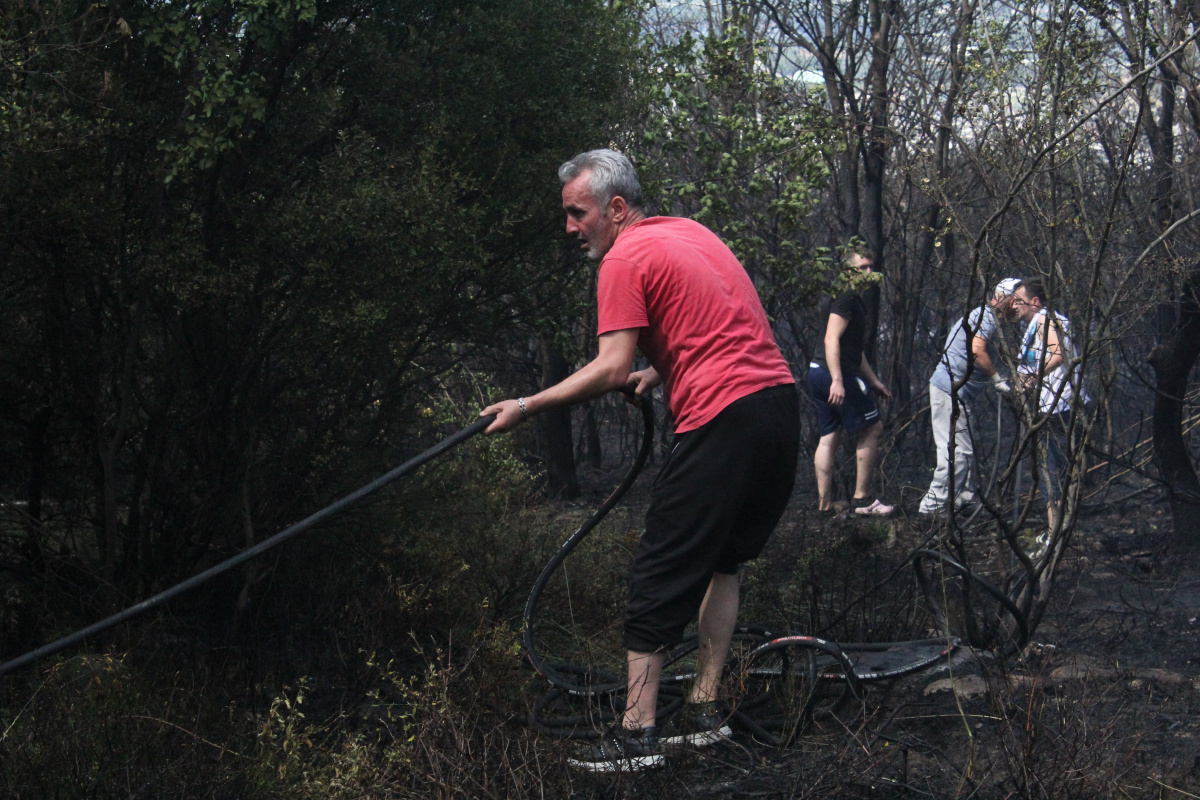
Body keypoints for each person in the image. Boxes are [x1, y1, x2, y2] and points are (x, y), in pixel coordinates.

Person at [481, 149, 799, 771]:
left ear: (616, 208)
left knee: (659, 571)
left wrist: (527, 403)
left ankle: (636, 737)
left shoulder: (624, 257)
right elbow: (723, 328)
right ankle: (707, 710)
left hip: (724, 419)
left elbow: (609, 367)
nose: (570, 228)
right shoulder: (691, 232)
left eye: (578, 214)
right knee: (723, 560)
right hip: (777, 410)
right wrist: (663, 371)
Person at [917, 278, 1021, 515]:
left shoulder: (999, 323)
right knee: (956, 453)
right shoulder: (984, 316)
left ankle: (962, 501)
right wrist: (997, 379)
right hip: (948, 389)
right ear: (1002, 299)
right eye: (1015, 300)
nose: (1017, 306)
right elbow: (977, 351)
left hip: (959, 394)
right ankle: (931, 508)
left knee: (966, 451)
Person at [807, 247, 894, 517]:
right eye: (862, 267)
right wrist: (837, 380)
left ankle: (824, 507)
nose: (869, 272)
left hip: (817, 371)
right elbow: (831, 339)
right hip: (834, 374)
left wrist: (874, 381)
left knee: (829, 435)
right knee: (873, 428)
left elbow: (853, 349)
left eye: (871, 267)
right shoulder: (846, 297)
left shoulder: (847, 297)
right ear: (848, 271)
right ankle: (862, 501)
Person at [1012, 278, 1084, 534]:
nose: (1014, 306)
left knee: (1052, 471)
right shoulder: (1037, 324)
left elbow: (1057, 354)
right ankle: (1056, 532)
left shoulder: (1046, 320)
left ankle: (1057, 534)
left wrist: (1031, 379)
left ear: (1034, 301)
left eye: (1019, 301)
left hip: (1058, 407)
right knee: (1050, 470)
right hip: (1050, 407)